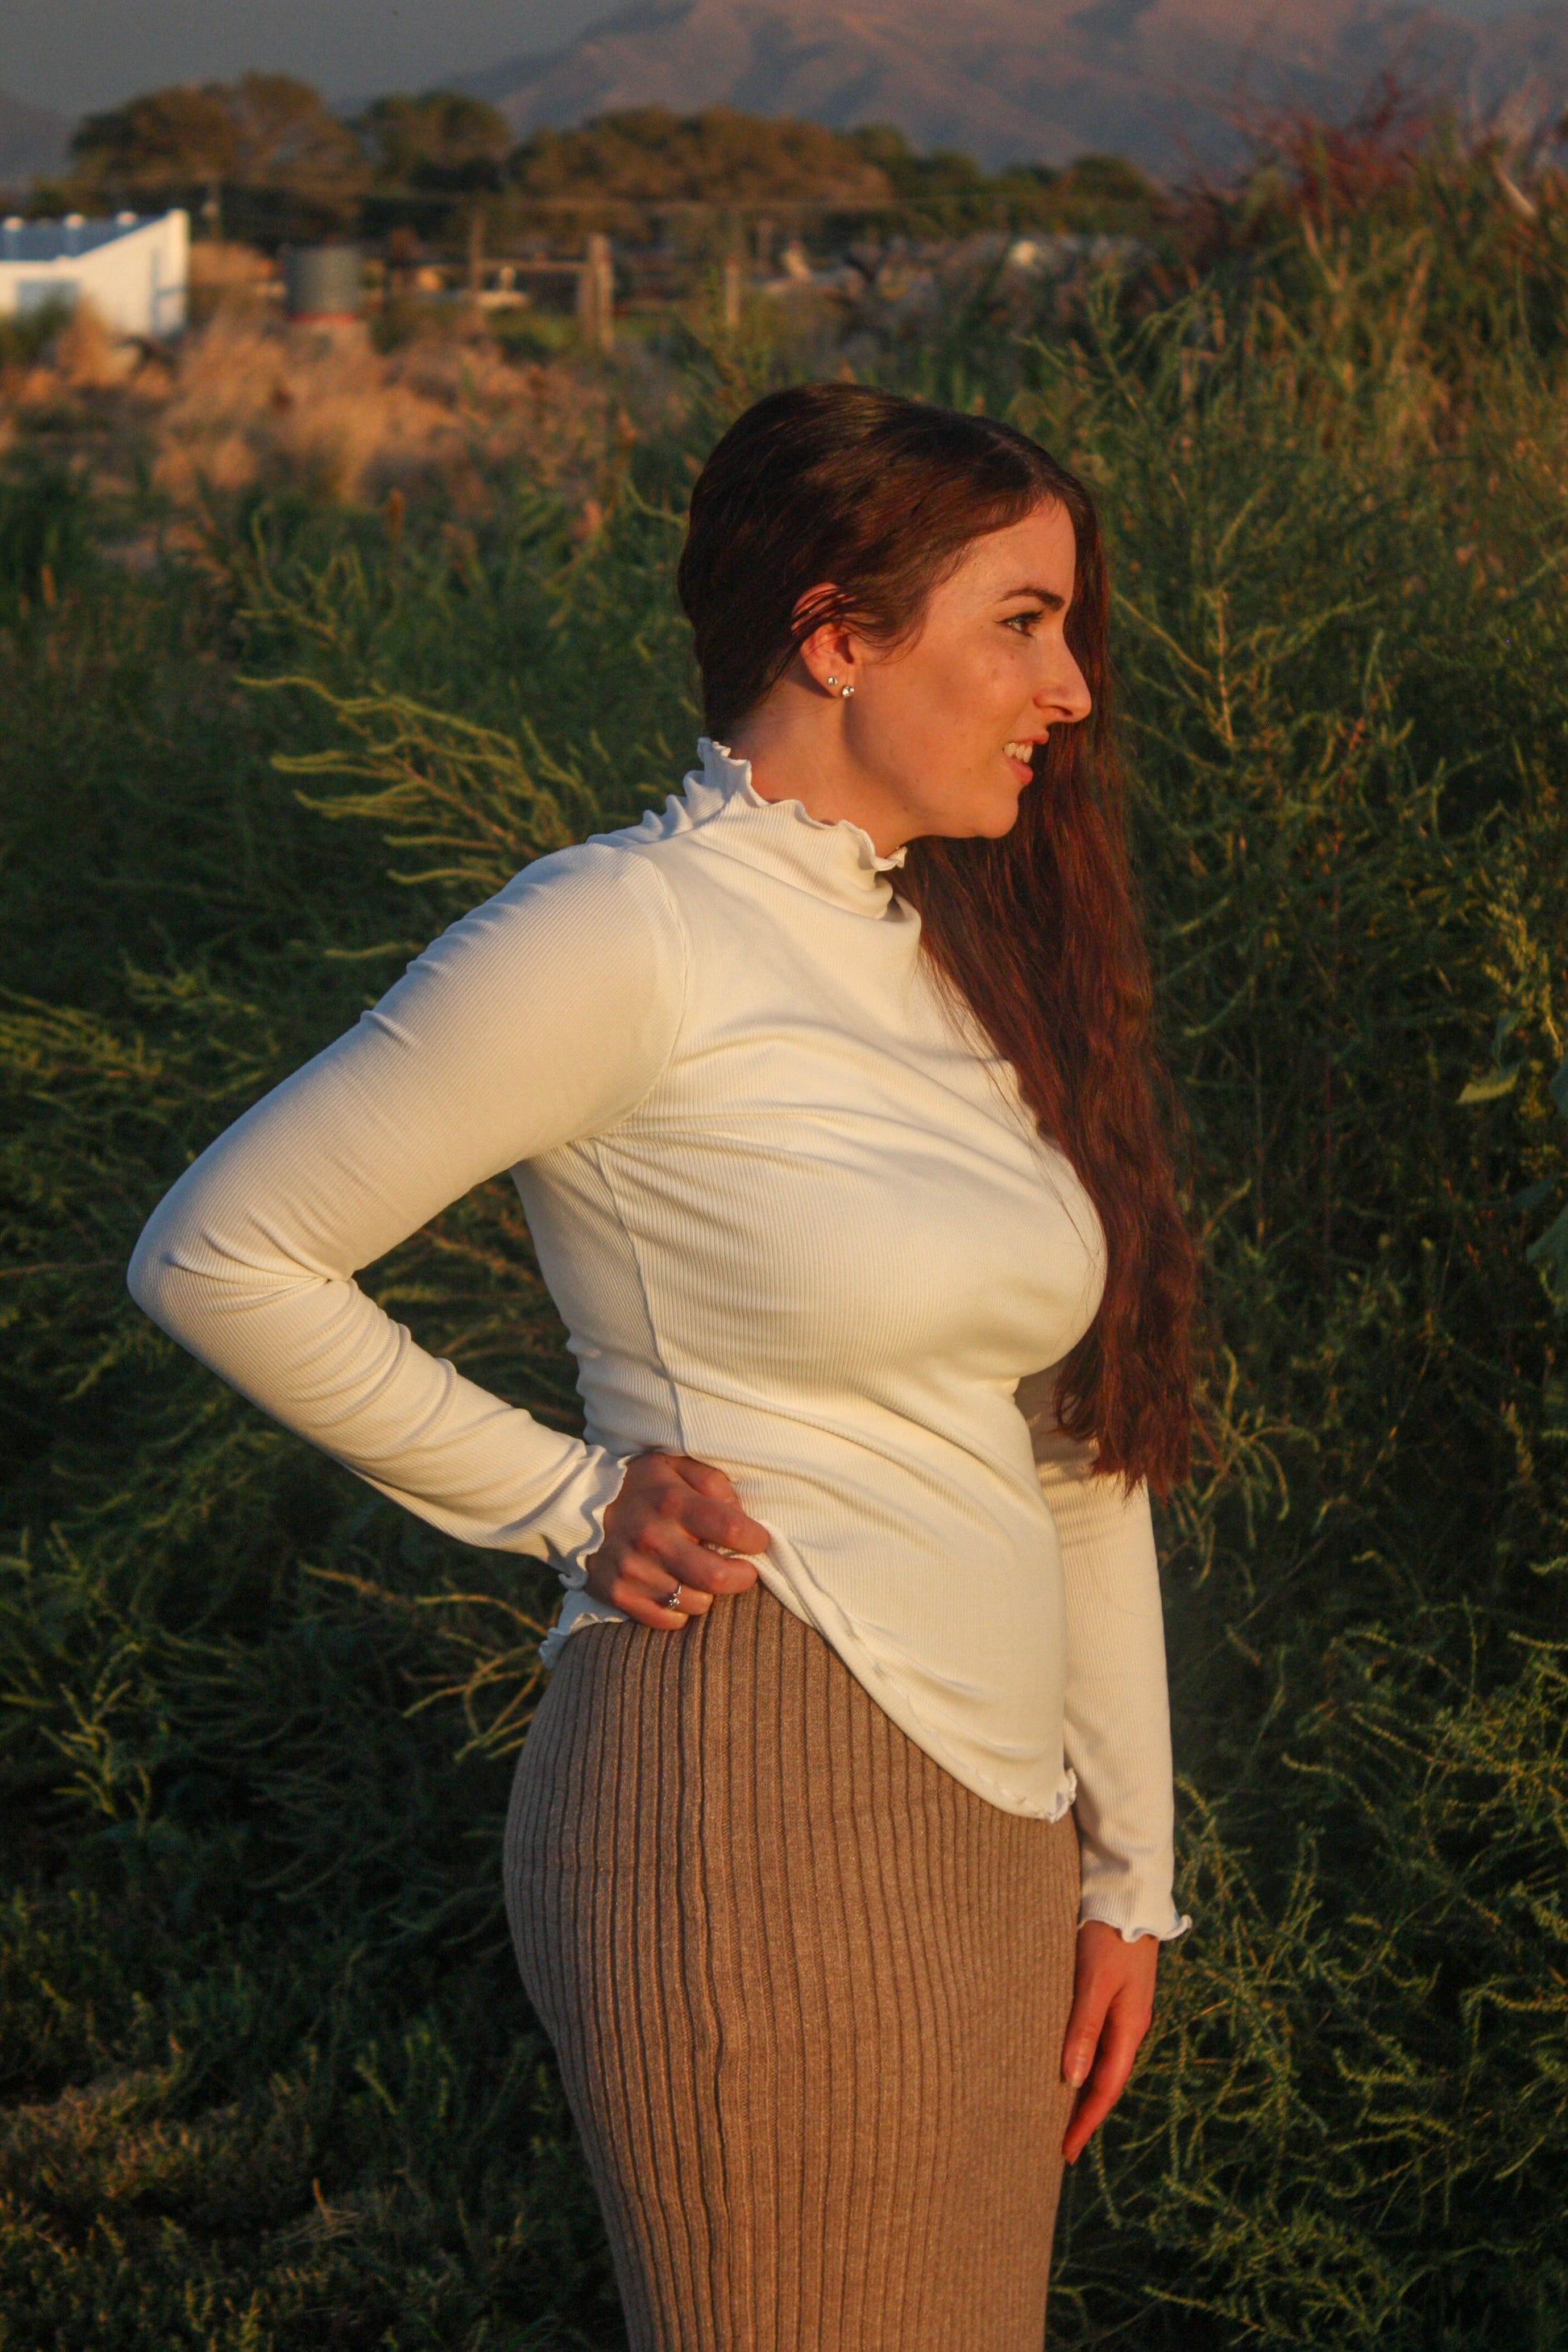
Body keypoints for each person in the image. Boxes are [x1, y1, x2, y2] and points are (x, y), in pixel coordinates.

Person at [128, 383, 1196, 2351]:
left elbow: (1068, 1452)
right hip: (750, 1790)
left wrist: (1127, 1868)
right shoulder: (624, 930)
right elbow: (221, 1248)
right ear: (837, 635)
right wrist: (568, 1497)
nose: (1069, 688)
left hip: (992, 1826)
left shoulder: (937, 965)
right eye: (1021, 623)